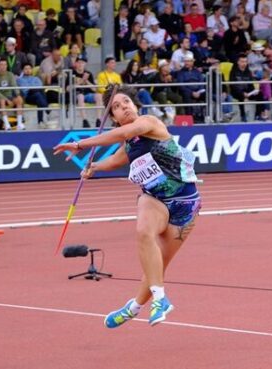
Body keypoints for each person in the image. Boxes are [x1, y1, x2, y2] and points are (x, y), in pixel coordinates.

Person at [52, 84, 201, 328]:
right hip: (154, 199)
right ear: (113, 118)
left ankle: (132, 307)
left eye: (126, 103)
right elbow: (116, 159)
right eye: (117, 108)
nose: (124, 108)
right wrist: (95, 167)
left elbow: (122, 134)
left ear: (135, 105)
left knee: (158, 265)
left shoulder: (149, 122)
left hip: (186, 204)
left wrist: (80, 145)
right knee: (143, 232)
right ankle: (161, 299)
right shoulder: (130, 143)